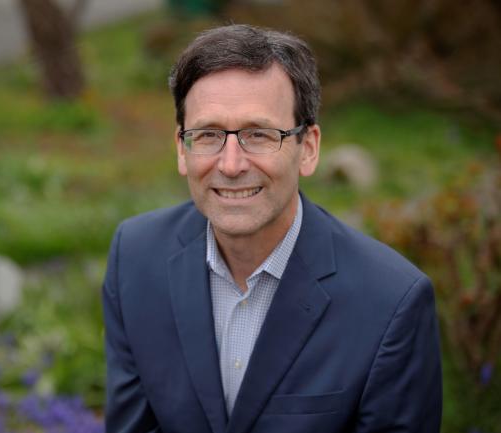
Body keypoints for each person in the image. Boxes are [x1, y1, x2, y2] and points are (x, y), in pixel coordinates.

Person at [102, 24, 442, 433]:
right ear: (181, 148)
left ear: (309, 148)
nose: (230, 165)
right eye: (208, 135)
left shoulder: (392, 303)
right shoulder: (136, 258)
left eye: (258, 135)